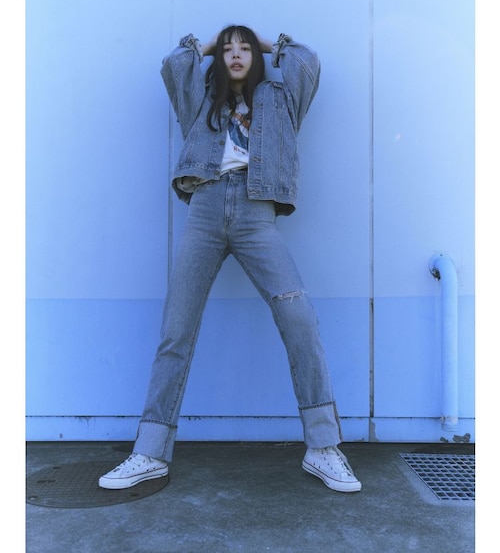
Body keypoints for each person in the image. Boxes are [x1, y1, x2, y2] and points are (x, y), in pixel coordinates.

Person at [99, 25, 362, 493]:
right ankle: (150, 452)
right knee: (176, 331)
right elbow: (173, 65)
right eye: (228, 49)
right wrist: (207, 45)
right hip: (204, 210)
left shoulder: (281, 98)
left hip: (257, 215)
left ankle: (323, 448)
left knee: (299, 319)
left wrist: (265, 43)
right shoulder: (200, 99)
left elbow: (308, 62)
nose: (236, 55)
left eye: (244, 49)